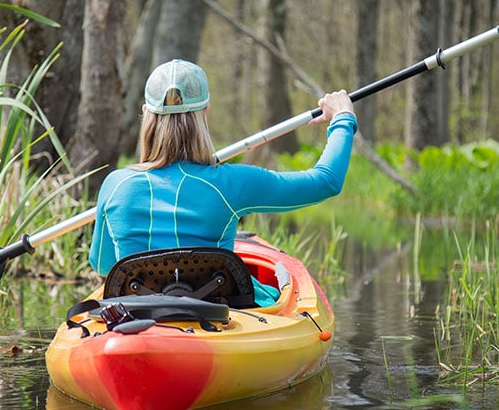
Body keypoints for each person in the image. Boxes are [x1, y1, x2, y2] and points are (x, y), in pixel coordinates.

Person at [89, 59, 357, 306]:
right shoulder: (230, 184)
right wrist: (343, 118)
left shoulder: (115, 185)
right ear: (206, 112)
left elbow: (103, 265)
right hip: (214, 312)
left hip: (136, 318)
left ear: (147, 113)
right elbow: (326, 181)